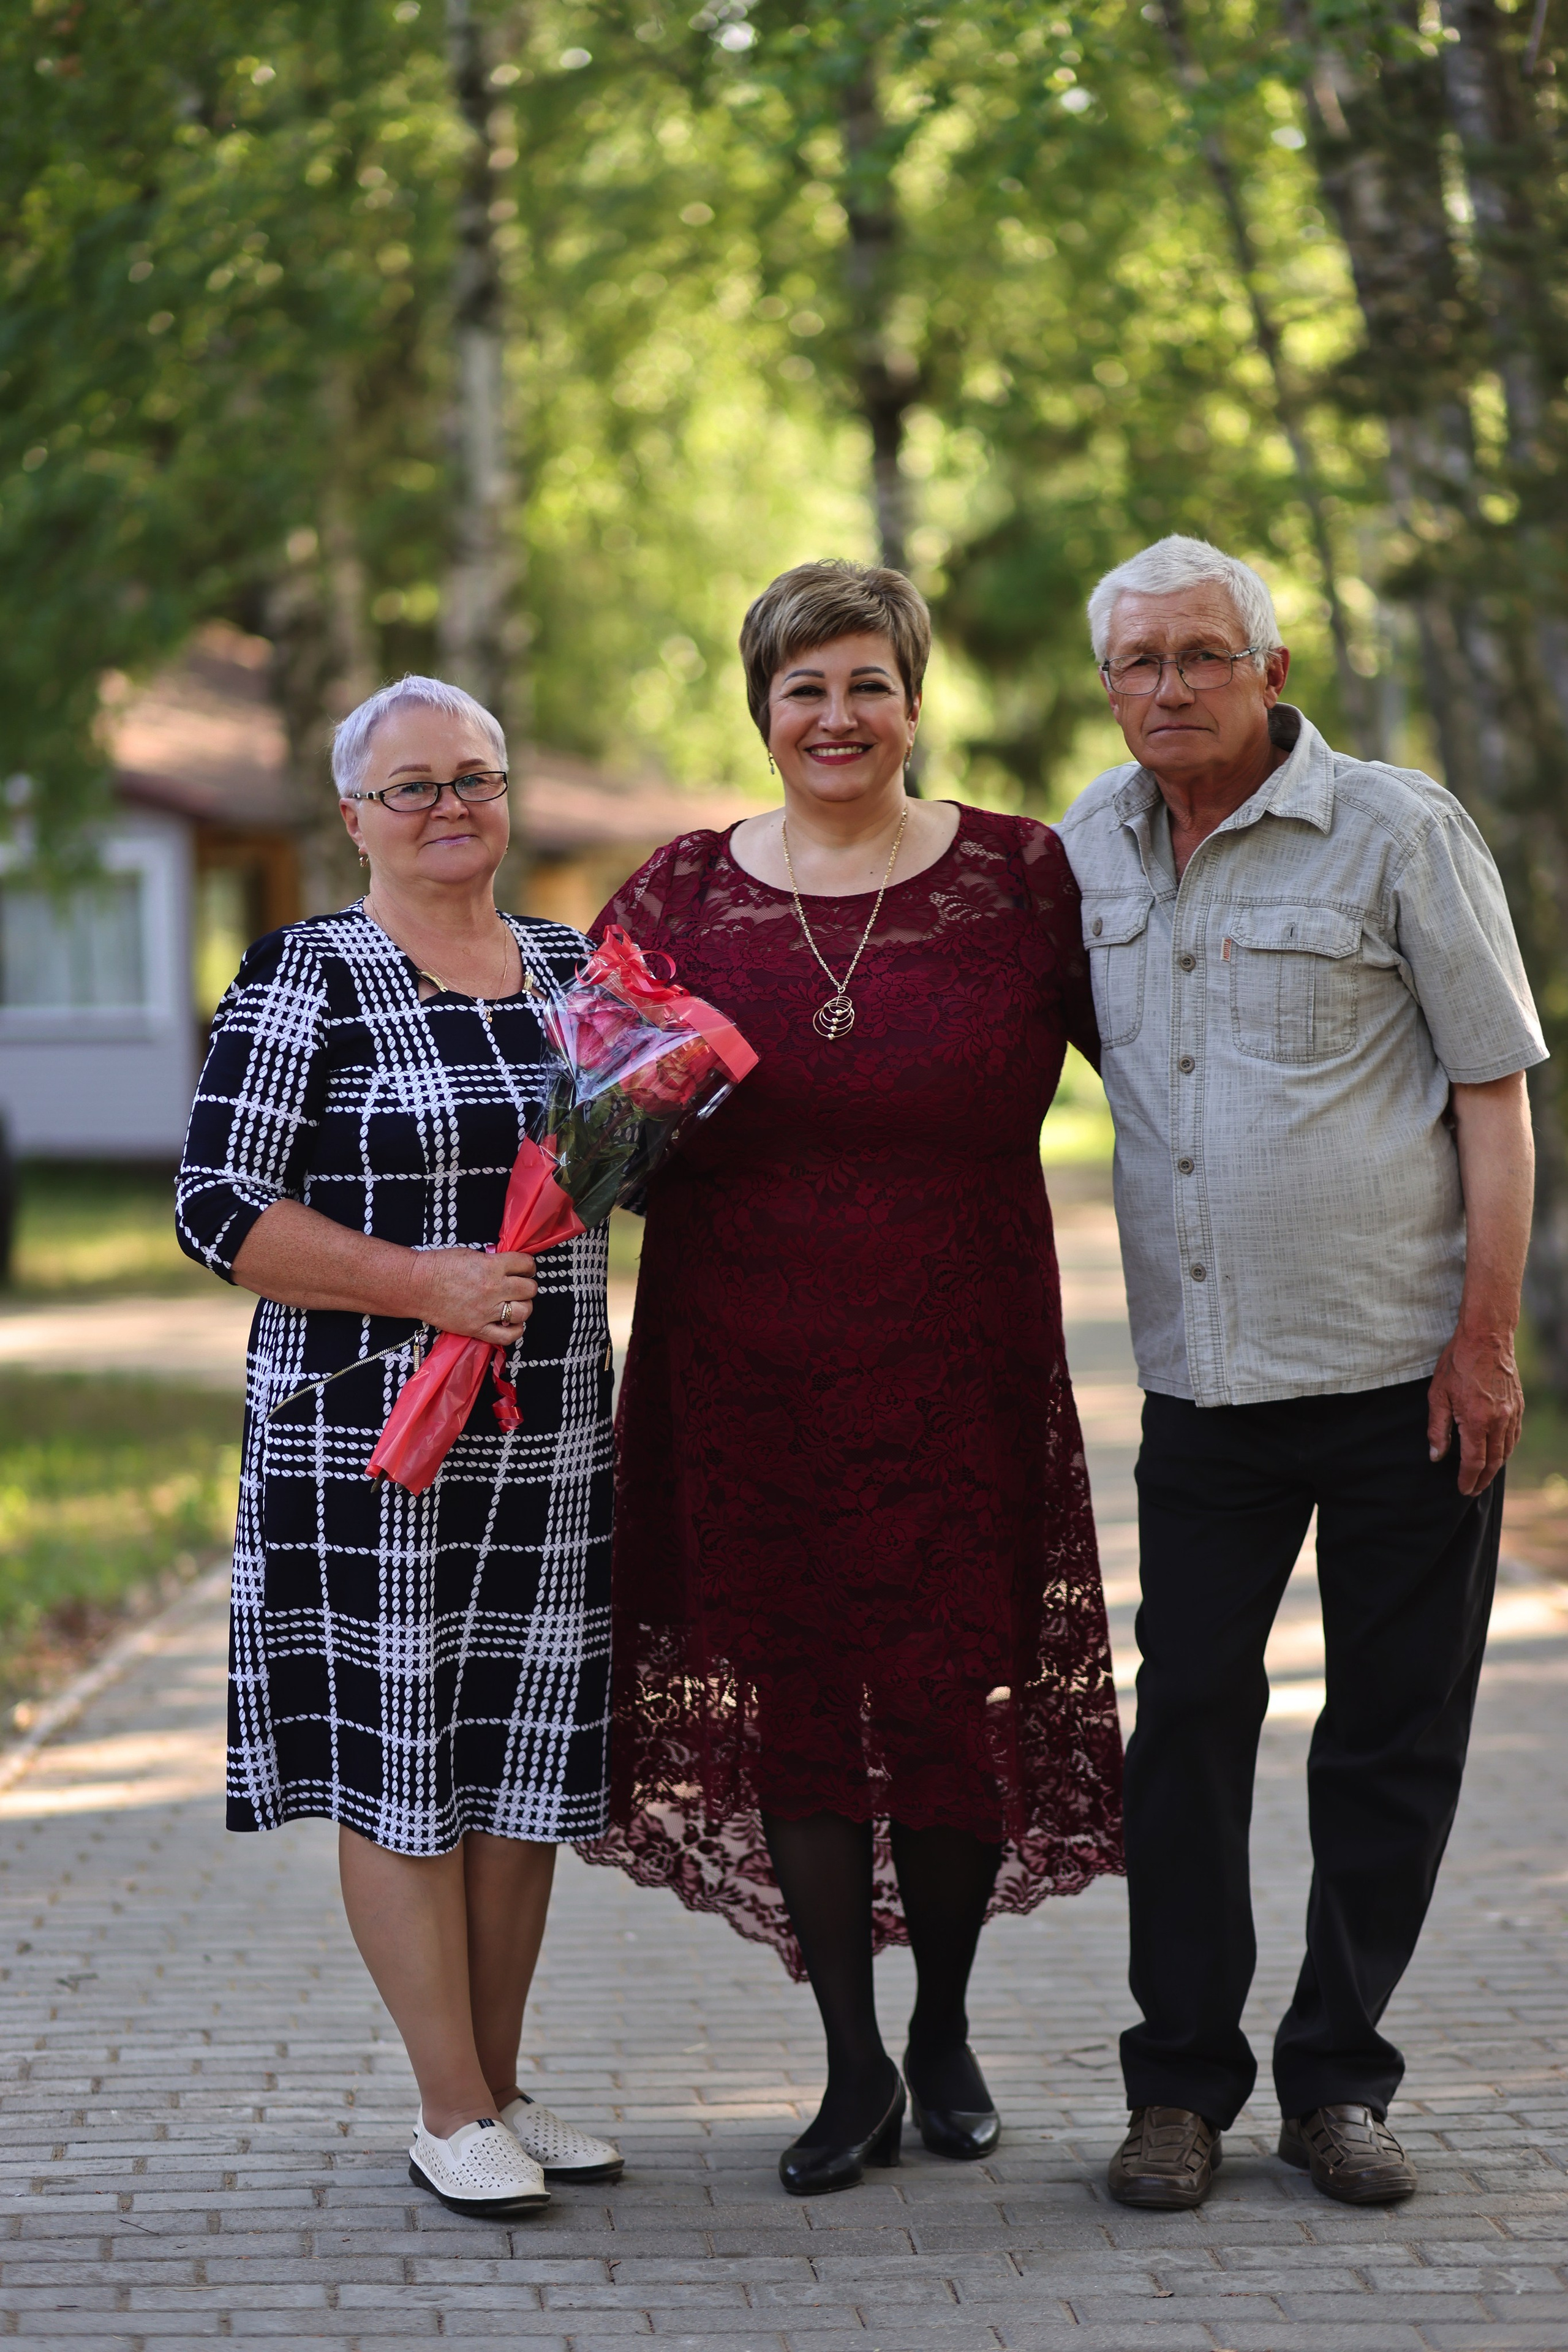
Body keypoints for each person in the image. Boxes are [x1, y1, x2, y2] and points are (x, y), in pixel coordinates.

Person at [581, 559, 1124, 2195]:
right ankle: (852, 2068)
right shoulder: (677, 899)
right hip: (738, 1373)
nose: (837, 716)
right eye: (805, 688)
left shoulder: (1024, 882)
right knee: (800, 1699)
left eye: (867, 683)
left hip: (961, 1361)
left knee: (955, 1688)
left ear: (912, 700)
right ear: (762, 708)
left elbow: (1176, 1069)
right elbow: (588, 1154)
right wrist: (621, 1115)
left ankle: (946, 2025)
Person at [1056, 534, 1545, 2211]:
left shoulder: (1398, 829)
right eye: (1139, 663)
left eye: (1202, 655)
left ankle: (1341, 2083)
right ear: (1107, 687)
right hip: (1204, 1388)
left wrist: (1487, 1342)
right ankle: (1179, 2090)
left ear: (1271, 671)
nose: (1170, 687)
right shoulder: (1087, 854)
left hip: (1405, 1372)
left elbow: (1494, 1090)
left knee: (1391, 1734)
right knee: (1187, 1719)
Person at [175, 676, 624, 2221]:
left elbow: (631, 1166)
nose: (451, 809)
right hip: (366, 1439)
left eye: (475, 780)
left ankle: (497, 2091)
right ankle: (447, 2107)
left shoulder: (576, 970)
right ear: (356, 816)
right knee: (403, 1761)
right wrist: (424, 1283)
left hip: (550, 1429)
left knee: (520, 1765)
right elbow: (216, 1210)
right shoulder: (310, 975)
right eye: (415, 786)